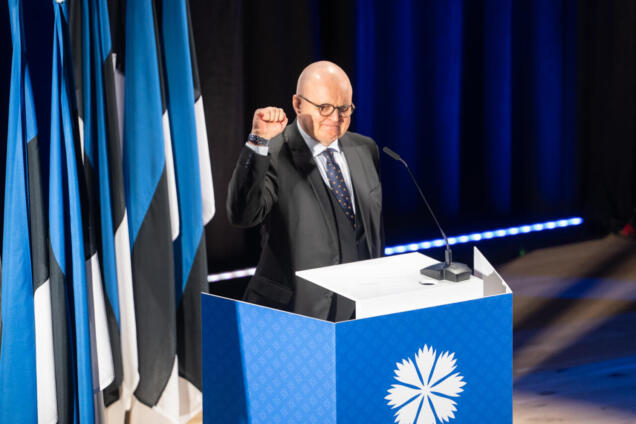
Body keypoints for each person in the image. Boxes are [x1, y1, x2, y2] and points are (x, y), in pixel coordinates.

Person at [227, 61, 384, 320]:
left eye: (345, 108)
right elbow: (242, 215)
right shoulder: (273, 152)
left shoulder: (365, 149)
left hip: (359, 312)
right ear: (298, 104)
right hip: (293, 315)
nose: (336, 118)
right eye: (325, 108)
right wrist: (257, 142)